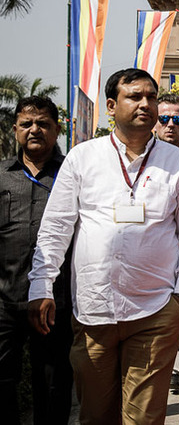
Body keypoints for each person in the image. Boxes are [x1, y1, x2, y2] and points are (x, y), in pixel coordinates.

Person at [27, 67, 179, 425]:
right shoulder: (84, 157)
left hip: (156, 309)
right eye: (135, 96)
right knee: (96, 416)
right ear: (112, 105)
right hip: (94, 310)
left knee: (143, 419)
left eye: (151, 97)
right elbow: (56, 228)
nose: (145, 104)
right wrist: (40, 285)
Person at [0, 96, 73, 425]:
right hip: (5, 299)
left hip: (56, 302)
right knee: (2, 381)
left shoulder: (73, 174)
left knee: (54, 385)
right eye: (27, 123)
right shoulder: (2, 175)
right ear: (15, 129)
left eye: (43, 123)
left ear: (57, 129)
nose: (34, 129)